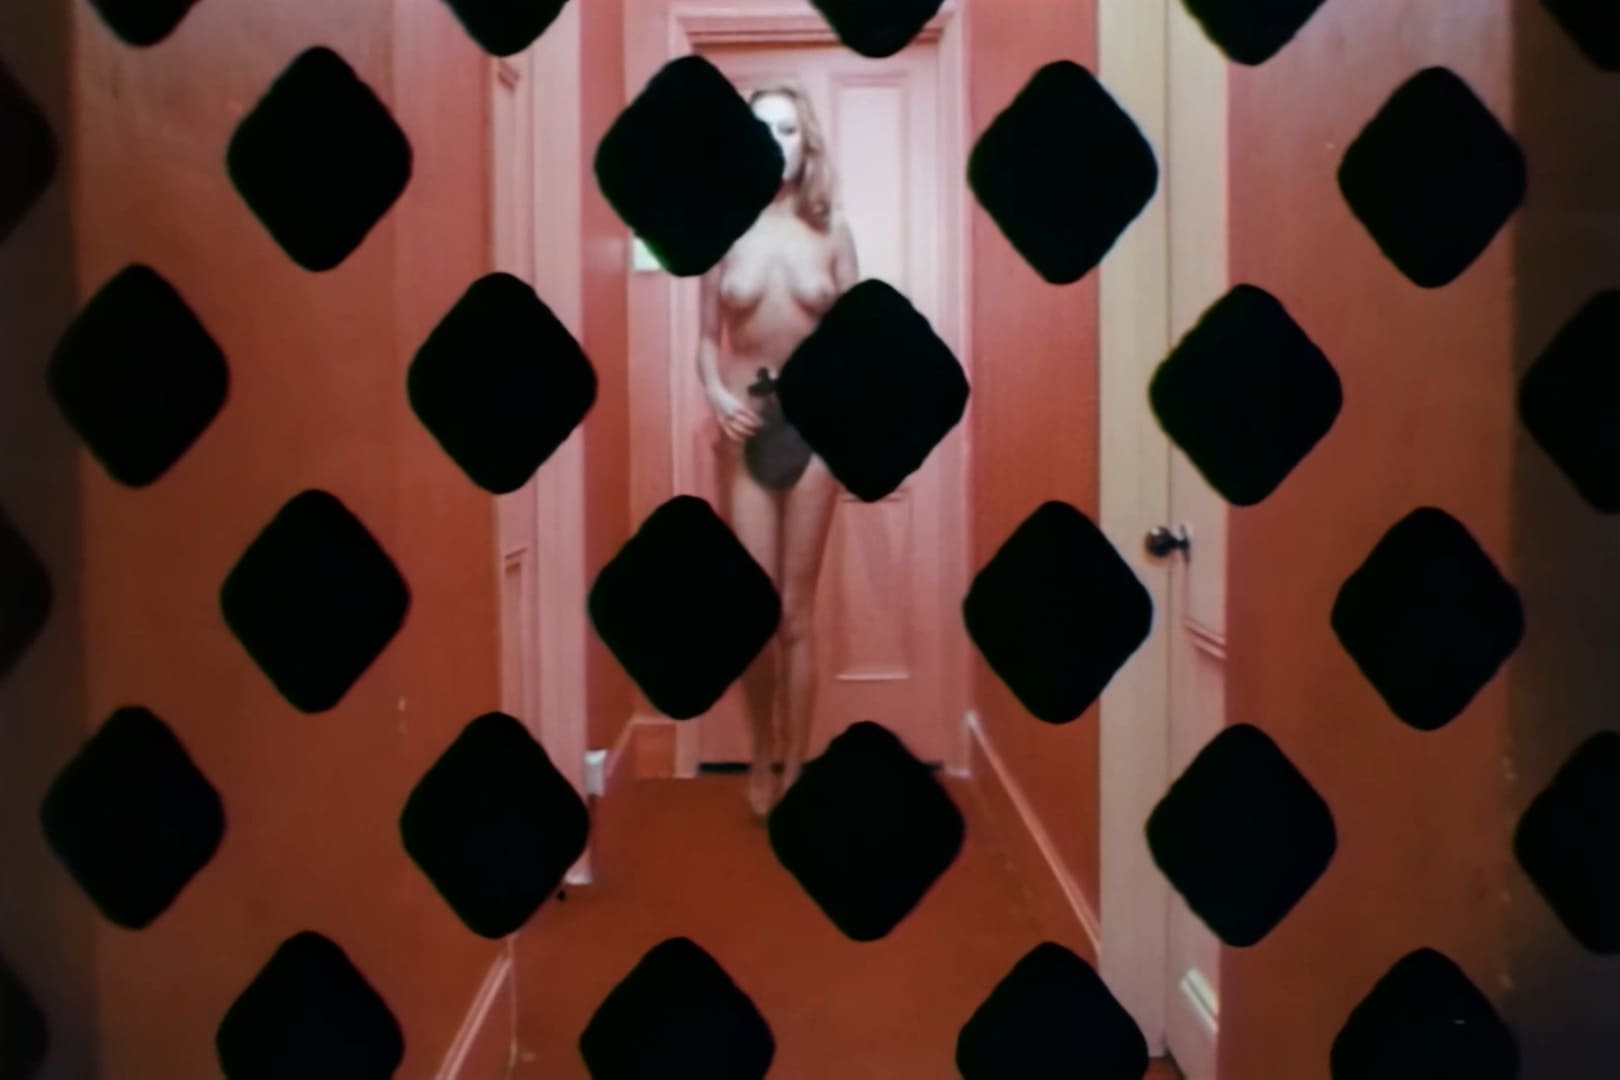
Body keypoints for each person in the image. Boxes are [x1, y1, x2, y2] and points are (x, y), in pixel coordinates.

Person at [696, 81, 859, 818]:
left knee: (796, 614)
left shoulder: (833, 231)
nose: (775, 144)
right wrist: (715, 392)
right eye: (761, 130)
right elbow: (707, 341)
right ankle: (760, 750)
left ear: (806, 142)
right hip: (746, 431)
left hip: (817, 435)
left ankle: (796, 767)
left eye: (788, 129)